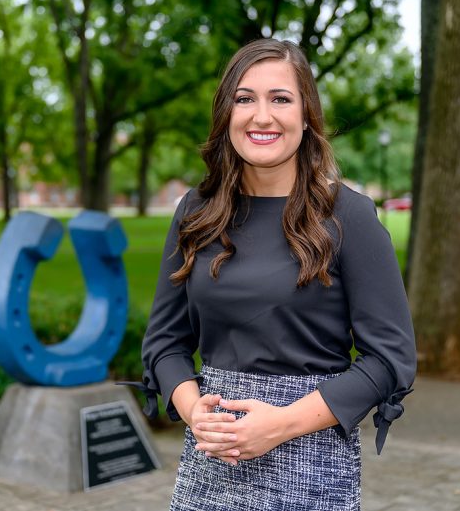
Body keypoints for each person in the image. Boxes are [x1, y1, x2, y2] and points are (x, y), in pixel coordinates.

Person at [137, 38, 416, 511]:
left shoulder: (349, 216)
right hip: (210, 462)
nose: (261, 116)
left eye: (281, 99)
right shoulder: (196, 212)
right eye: (245, 98)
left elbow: (390, 359)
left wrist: (280, 424)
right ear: (226, 114)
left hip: (310, 462)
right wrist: (193, 408)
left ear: (306, 116)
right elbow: (164, 342)